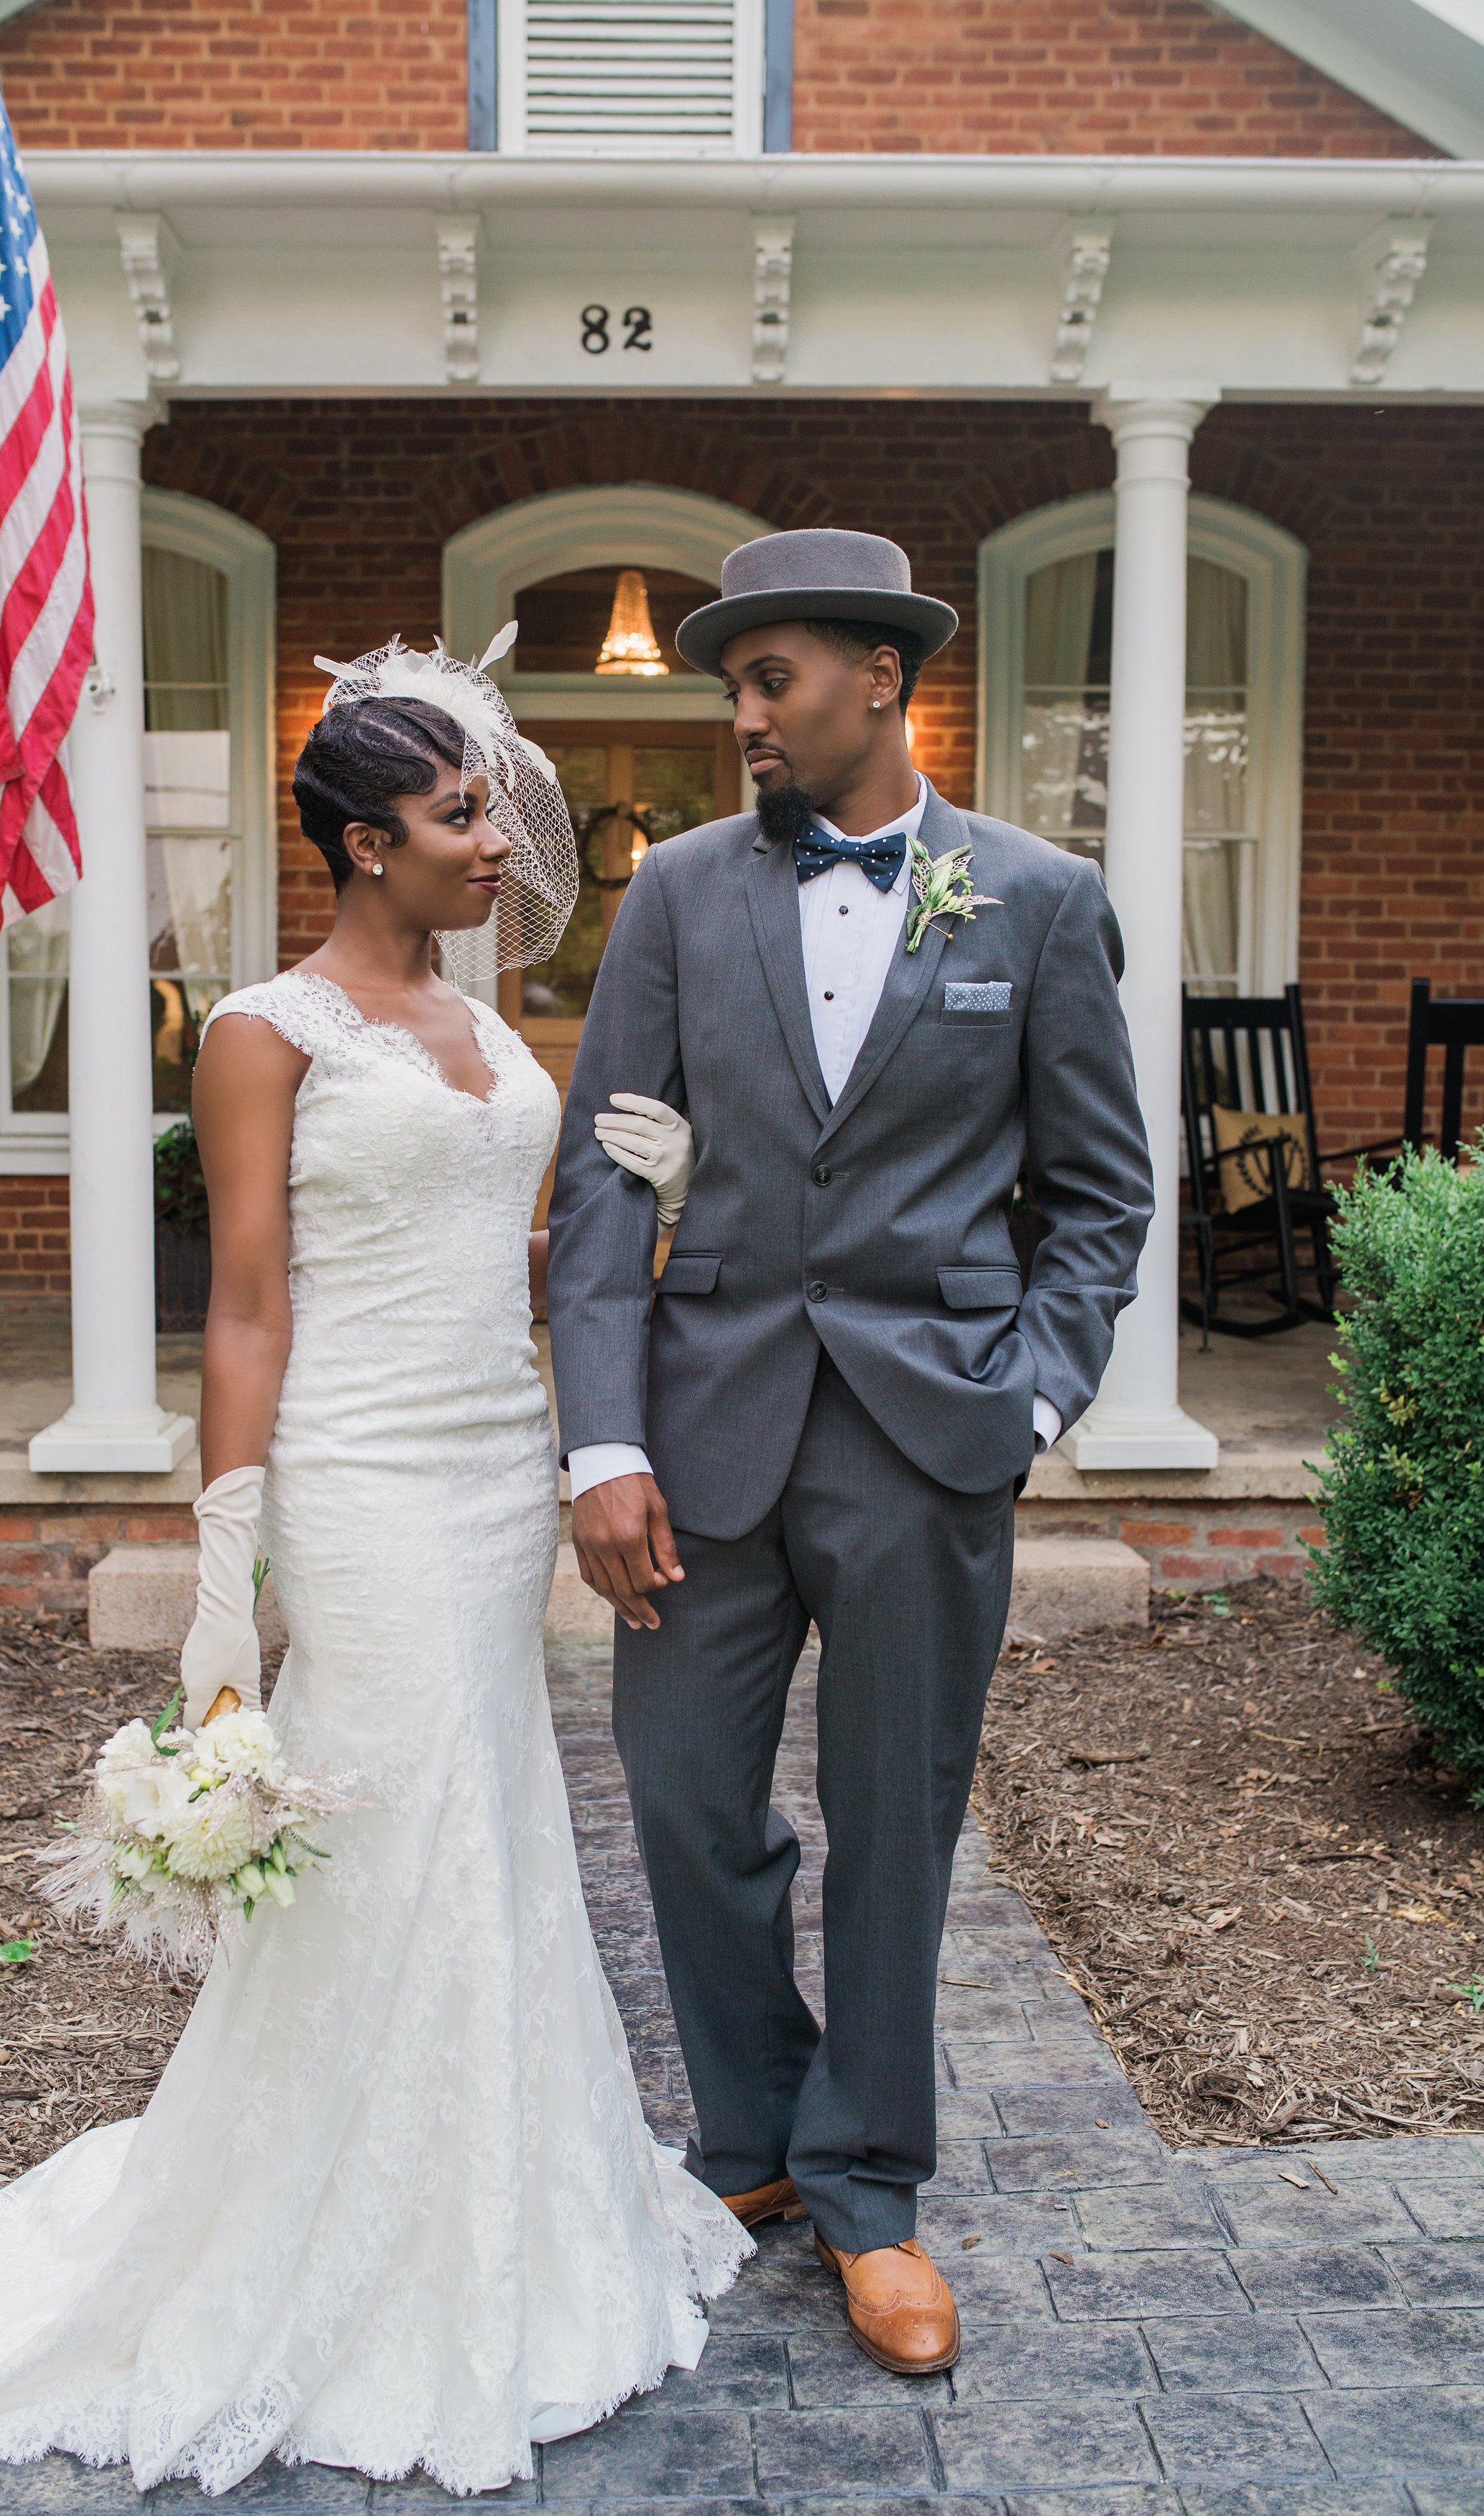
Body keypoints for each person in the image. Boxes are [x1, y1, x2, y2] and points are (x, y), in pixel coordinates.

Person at [0, 639, 747, 2500]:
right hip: (356, 1485)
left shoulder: (483, 1011)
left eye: (492, 809)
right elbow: (253, 1298)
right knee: (386, 1824)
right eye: (458, 817)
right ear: (362, 842)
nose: (499, 841)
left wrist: (644, 1191)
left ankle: (495, 2198)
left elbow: (495, 1236)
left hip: (490, 1461)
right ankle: (332, 2239)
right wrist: (225, 1565)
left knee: (494, 1816)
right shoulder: (266, 1029)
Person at [547, 528, 1153, 2379]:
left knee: (900, 1830)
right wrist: (600, 1440)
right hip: (704, 1428)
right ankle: (757, 2136)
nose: (742, 716)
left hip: (927, 1441)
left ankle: (869, 2188)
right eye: (734, 685)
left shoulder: (1036, 899)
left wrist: (1030, 1402)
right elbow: (599, 1174)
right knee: (680, 1795)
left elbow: (1102, 1195)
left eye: (771, 679)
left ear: (880, 679)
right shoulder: (674, 896)